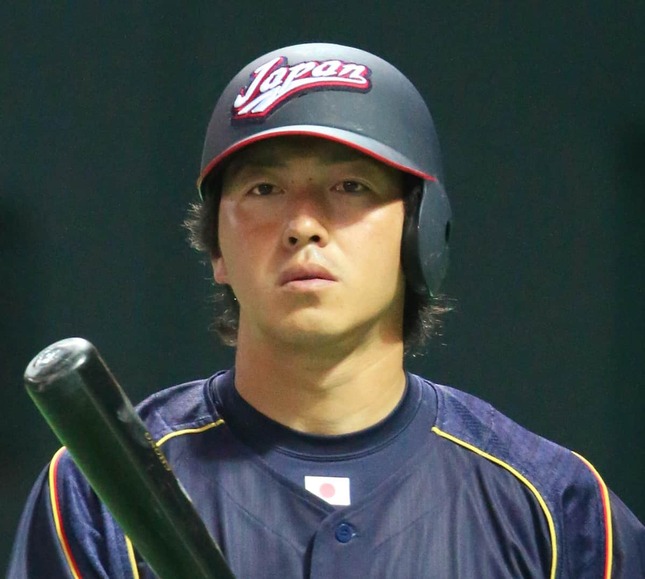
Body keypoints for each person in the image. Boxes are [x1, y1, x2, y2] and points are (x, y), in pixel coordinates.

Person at [8, 43, 644, 578]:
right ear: (216, 247)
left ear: (421, 235)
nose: (303, 224)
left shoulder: (553, 510)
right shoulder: (105, 489)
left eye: (349, 186)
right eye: (264, 189)